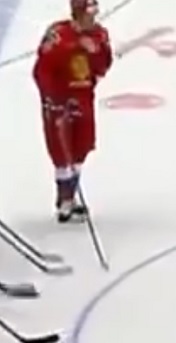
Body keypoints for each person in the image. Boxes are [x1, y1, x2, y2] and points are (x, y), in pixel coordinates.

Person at [32, 0, 113, 223]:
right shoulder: (58, 35)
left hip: (83, 97)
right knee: (60, 151)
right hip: (59, 101)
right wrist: (50, 97)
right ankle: (65, 199)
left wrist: (95, 52)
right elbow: (41, 70)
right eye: (89, 13)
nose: (93, 18)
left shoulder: (100, 35)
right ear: (77, 13)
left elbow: (104, 65)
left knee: (83, 146)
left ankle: (70, 195)